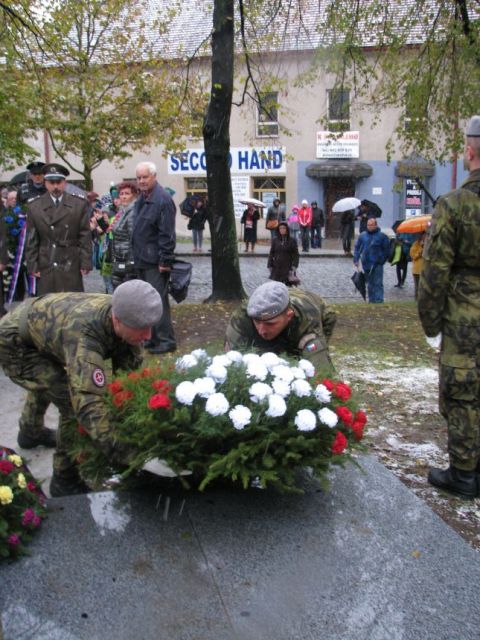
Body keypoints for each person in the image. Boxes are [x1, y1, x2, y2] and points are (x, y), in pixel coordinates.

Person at [0, 279, 163, 497]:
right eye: (142, 329)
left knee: (55, 382)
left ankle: (30, 433)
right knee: (68, 399)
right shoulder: (86, 333)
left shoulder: (125, 315)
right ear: (117, 320)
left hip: (46, 331)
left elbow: (128, 383)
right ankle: (65, 478)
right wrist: (126, 453)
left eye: (150, 327)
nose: (149, 336)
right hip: (15, 343)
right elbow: (87, 404)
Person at [417, 115, 480, 499]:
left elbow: (434, 272)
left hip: (464, 316)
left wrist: (430, 322)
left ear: (469, 151)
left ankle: (464, 473)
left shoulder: (454, 205)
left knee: (461, 391)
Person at [225, 281, 337, 373]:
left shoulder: (308, 319)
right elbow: (230, 361)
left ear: (289, 315)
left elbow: (323, 372)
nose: (261, 330)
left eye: (270, 324)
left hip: (320, 314)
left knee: (302, 363)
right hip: (286, 315)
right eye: (257, 322)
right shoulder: (242, 317)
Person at [25, 163, 92, 295]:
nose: (55, 186)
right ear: (45, 183)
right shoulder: (34, 206)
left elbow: (84, 235)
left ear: (64, 182)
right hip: (46, 261)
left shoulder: (78, 204)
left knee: (71, 303)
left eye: (58, 182)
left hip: (70, 260)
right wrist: (32, 264)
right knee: (48, 306)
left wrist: (86, 262)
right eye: (51, 182)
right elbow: (32, 238)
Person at [132, 160, 177, 355]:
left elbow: (167, 234)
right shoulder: (143, 198)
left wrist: (165, 261)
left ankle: (167, 340)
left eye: (145, 177)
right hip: (142, 258)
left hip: (155, 261)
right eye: (139, 177)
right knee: (146, 301)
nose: (141, 181)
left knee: (158, 301)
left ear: (154, 177)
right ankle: (153, 338)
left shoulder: (163, 199)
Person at [353, 218, 390, 303]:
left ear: (376, 225)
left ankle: (379, 300)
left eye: (371, 225)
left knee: (377, 283)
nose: (369, 227)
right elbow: (357, 248)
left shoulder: (382, 236)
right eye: (368, 225)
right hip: (366, 263)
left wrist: (382, 260)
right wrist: (356, 259)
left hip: (377, 263)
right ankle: (371, 300)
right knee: (369, 284)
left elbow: (386, 250)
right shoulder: (363, 236)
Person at [110, 181, 138, 289]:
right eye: (121, 194)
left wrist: (131, 262)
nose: (124, 197)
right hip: (119, 259)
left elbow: (133, 239)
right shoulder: (122, 212)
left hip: (127, 261)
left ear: (134, 195)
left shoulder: (132, 212)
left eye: (127, 194)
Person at [267, 221, 299, 286]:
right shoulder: (275, 240)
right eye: (280, 228)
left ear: (287, 229)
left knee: (288, 288)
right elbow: (271, 253)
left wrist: (294, 266)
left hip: (288, 268)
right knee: (277, 288)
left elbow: (296, 255)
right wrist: (269, 264)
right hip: (277, 268)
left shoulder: (292, 241)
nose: (282, 230)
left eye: (284, 228)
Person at [409, 232, 425, 300]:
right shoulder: (416, 244)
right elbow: (413, 256)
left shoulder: (430, 244)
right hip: (417, 270)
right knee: (418, 287)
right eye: (424, 235)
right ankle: (417, 300)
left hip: (426, 270)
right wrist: (420, 250)